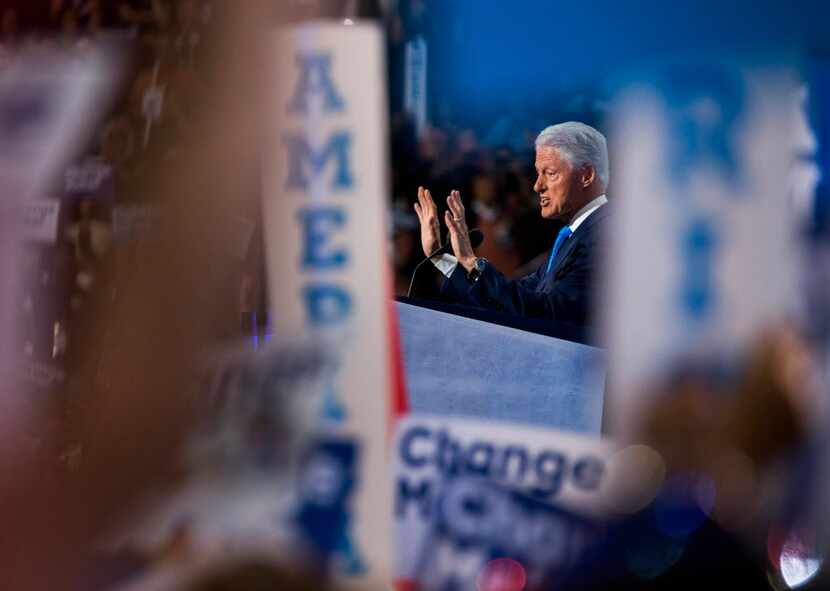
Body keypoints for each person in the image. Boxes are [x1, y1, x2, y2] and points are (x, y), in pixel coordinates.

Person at [413, 121, 611, 326]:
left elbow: (548, 314)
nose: (537, 186)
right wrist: (441, 257)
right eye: (538, 173)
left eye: (550, 173)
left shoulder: (604, 237)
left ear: (586, 175)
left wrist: (472, 261)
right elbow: (510, 300)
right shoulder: (575, 236)